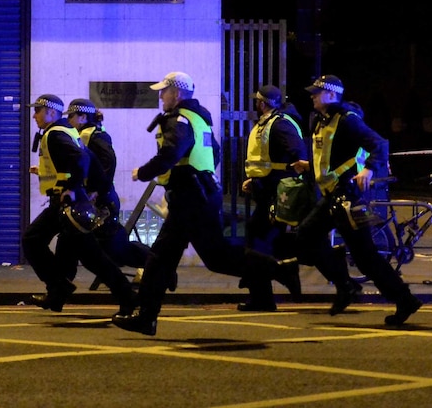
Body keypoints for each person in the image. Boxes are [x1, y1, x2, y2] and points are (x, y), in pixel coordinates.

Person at [112, 72, 296, 336]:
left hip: (192, 197)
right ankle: (146, 317)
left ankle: (146, 317)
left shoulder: (181, 120)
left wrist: (143, 172)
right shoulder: (199, 119)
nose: (160, 96)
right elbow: (215, 154)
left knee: (171, 258)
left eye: (164, 91)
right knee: (202, 258)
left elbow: (171, 152)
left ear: (177, 93)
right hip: (197, 194)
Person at [292, 74, 422, 325]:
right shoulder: (322, 120)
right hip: (333, 197)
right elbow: (333, 158)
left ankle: (403, 299)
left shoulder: (347, 120)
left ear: (331, 95)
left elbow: (380, 144)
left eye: (316, 93)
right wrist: (309, 166)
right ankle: (346, 284)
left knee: (366, 257)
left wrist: (369, 168)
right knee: (305, 237)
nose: (312, 96)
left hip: (348, 197)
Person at [23, 93, 135, 314]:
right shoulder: (67, 131)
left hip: (67, 203)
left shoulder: (56, 134)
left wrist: (74, 188)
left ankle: (60, 287)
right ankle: (58, 293)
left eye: (37, 110)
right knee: (90, 256)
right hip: (70, 201)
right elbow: (80, 161)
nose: (34, 115)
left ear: (51, 112)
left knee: (32, 240)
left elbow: (81, 159)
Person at [54, 98, 151, 281]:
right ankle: (61, 286)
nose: (69, 120)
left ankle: (157, 264)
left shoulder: (94, 135)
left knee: (115, 248)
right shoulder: (87, 134)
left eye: (72, 116)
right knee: (76, 242)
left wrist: (96, 190)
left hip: (101, 201)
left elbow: (109, 161)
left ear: (83, 117)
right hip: (95, 199)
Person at [239, 85, 307, 311]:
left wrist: (269, 182)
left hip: (277, 193)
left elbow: (298, 158)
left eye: (257, 101)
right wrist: (256, 181)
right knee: (265, 242)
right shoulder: (270, 123)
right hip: (268, 190)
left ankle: (272, 286)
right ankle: (266, 293)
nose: (255, 105)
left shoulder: (280, 125)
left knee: (257, 240)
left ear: (262, 103)